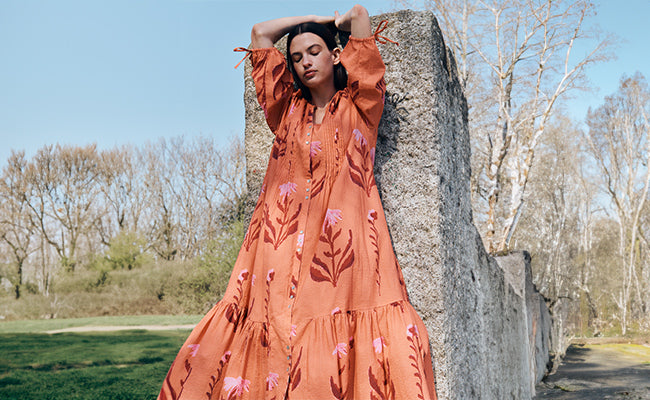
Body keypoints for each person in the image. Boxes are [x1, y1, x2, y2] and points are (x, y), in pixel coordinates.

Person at [158, 5, 437, 399]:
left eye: (314, 51)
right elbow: (259, 33)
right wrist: (309, 19)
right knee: (271, 326)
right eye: (297, 57)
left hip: (344, 251)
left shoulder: (362, 107)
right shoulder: (286, 110)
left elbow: (359, 16)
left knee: (335, 340)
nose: (305, 62)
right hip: (278, 245)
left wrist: (332, 24)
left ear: (336, 55)